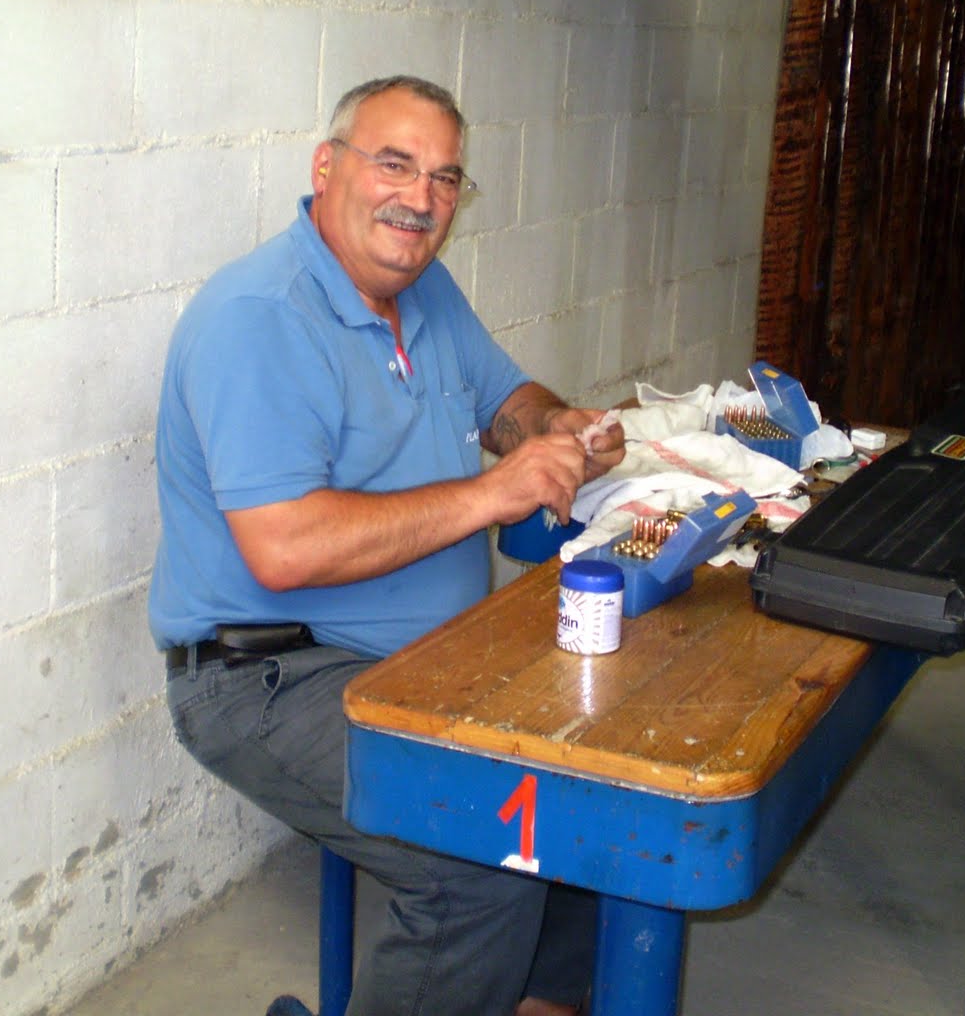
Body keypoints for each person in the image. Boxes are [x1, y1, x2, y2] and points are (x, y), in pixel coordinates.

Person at [149, 75, 626, 1016]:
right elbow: (285, 549)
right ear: (326, 169)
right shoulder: (259, 318)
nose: (421, 198)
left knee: (589, 795)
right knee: (483, 866)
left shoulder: (423, 288)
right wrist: (491, 494)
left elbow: (505, 401)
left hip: (425, 662)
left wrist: (555, 426)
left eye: (445, 178)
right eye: (395, 165)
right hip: (269, 677)